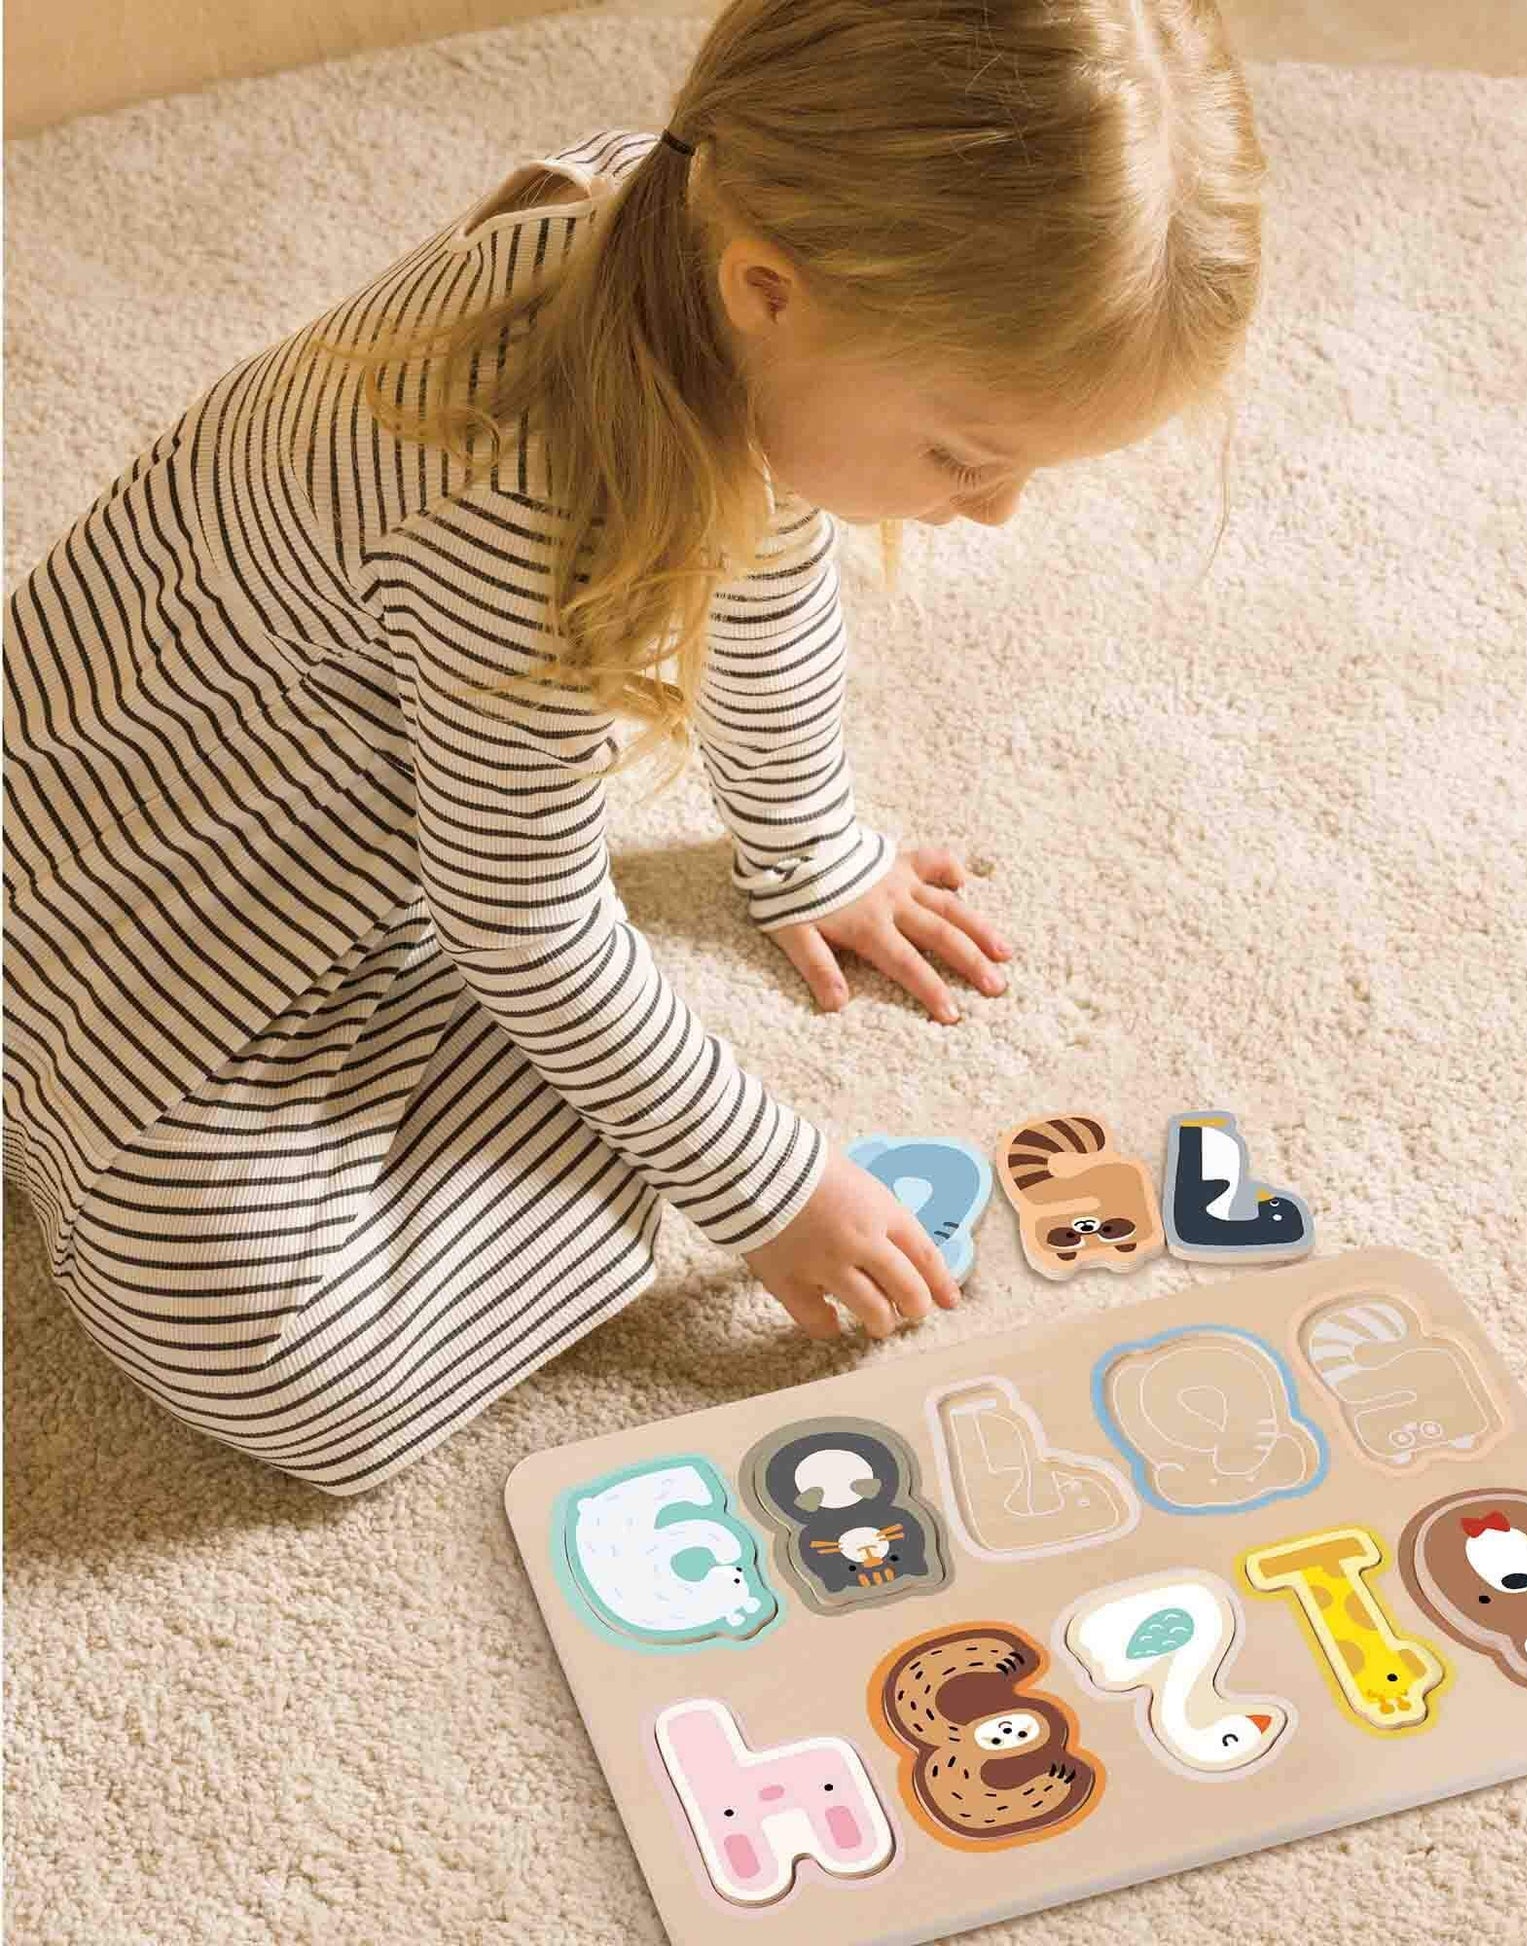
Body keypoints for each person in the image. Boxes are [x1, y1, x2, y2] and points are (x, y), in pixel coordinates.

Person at [1, 0, 1266, 1495]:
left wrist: (810, 848)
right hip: (178, 929)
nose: (991, 514)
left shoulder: (667, 219)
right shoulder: (514, 511)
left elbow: (769, 555)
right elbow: (524, 926)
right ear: (769, 291)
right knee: (307, 1375)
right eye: (963, 454)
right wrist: (765, 1181)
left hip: (178, 812)